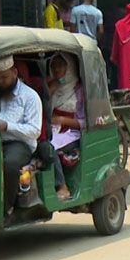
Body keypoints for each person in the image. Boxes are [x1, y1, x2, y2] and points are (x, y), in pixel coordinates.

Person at [0, 54, 43, 218]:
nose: (0, 82)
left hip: (19, 144)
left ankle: (7, 209)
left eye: (4, 77)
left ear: (14, 72)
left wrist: (8, 126)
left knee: (9, 164)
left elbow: (35, 130)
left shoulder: (30, 96)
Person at [46, 53, 83, 201]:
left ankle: (63, 186)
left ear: (69, 67)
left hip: (72, 133)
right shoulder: (53, 88)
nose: (57, 70)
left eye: (61, 65)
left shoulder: (78, 90)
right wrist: (49, 92)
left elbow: (85, 122)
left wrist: (62, 119)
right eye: (53, 66)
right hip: (53, 129)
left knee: (49, 147)